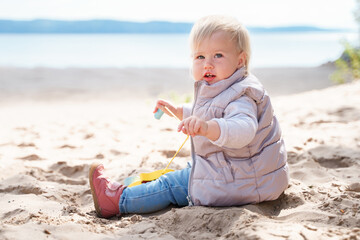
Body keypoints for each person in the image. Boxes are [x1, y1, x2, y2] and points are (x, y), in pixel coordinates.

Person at [89, 15, 289, 218]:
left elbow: (243, 130)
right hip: (249, 174)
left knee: (171, 184)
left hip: (244, 182)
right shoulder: (227, 86)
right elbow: (212, 110)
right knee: (189, 171)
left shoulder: (242, 96)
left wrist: (208, 128)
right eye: (200, 57)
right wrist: (179, 111)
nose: (207, 64)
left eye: (218, 55)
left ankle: (117, 201)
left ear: (240, 60)